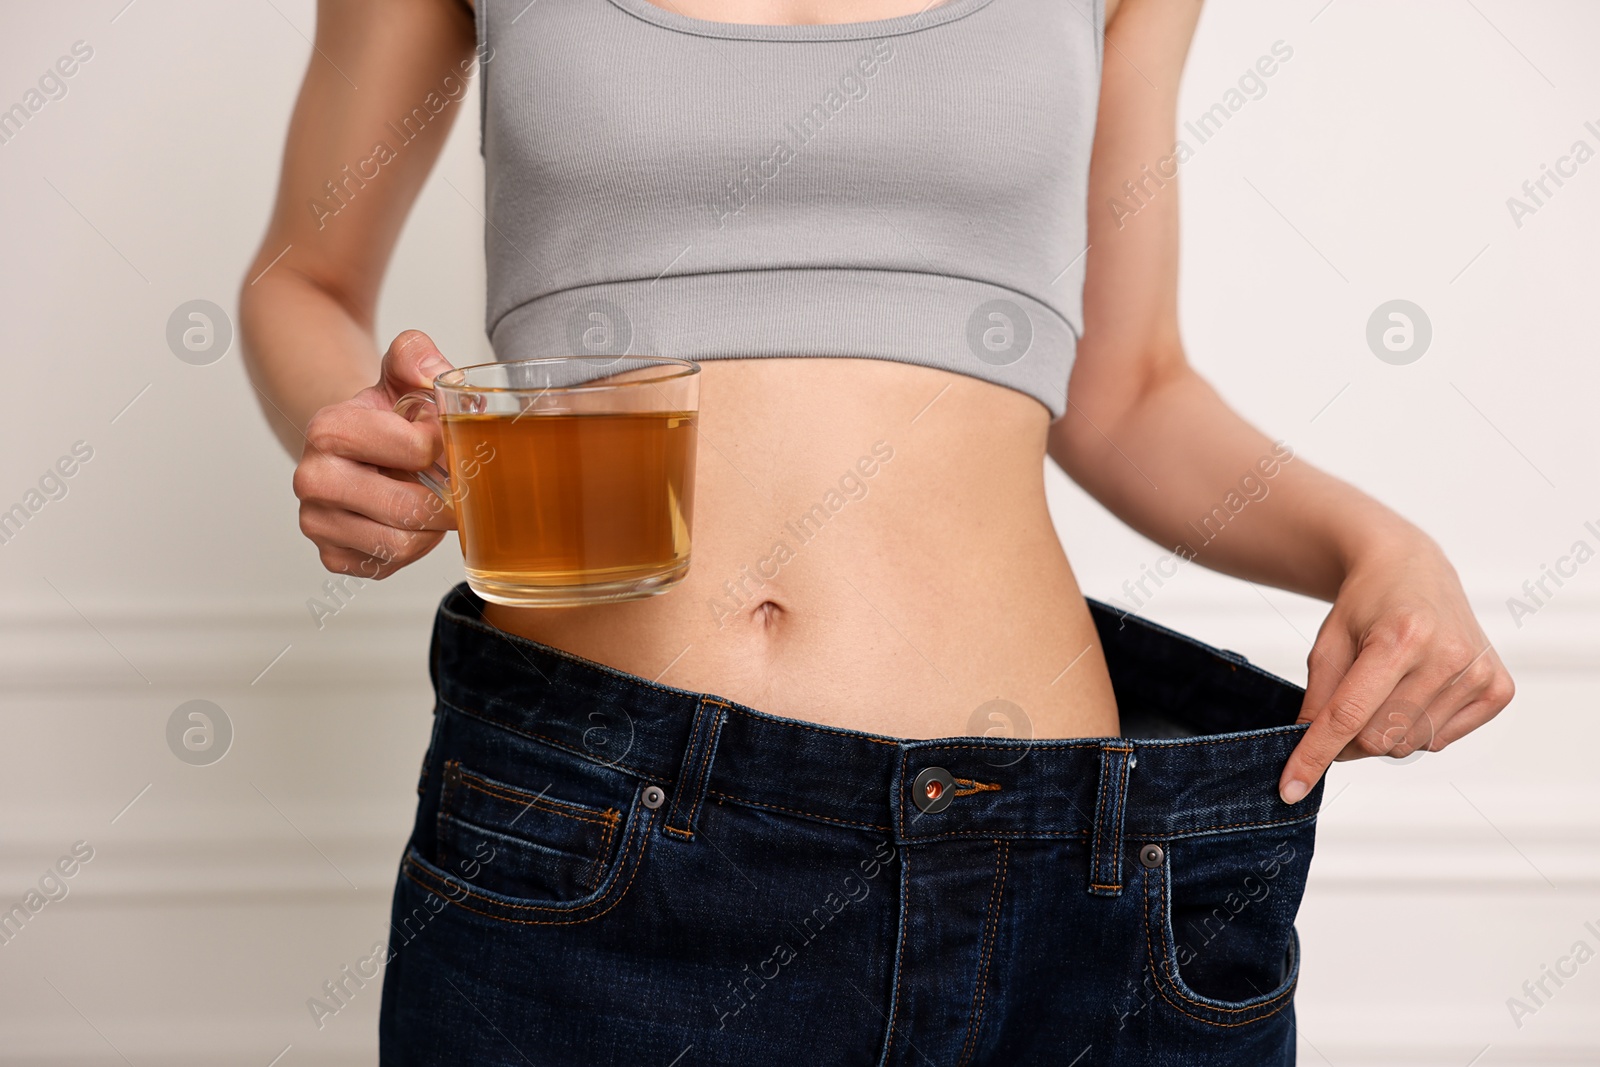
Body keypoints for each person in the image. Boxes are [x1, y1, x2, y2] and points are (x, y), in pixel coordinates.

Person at [241, 0, 1514, 1062]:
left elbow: (1126, 392)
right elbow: (304, 279)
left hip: (1068, 863)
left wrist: (1376, 544)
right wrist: (359, 435)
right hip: (597, 834)